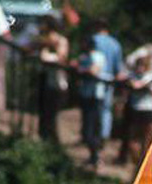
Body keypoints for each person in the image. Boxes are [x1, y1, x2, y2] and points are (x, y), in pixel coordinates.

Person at [32, 15, 68, 142]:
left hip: (55, 80)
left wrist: (46, 53)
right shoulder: (41, 40)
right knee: (43, 110)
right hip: (44, 77)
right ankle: (44, 137)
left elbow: (61, 58)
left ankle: (52, 141)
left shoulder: (60, 41)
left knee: (51, 112)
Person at [75, 34, 107, 168]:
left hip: (96, 96)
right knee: (87, 128)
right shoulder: (84, 57)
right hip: (86, 95)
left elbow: (94, 71)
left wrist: (82, 69)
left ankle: (95, 156)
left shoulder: (97, 56)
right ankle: (93, 156)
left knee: (93, 128)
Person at [90, 20, 123, 142]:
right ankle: (104, 135)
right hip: (109, 81)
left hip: (92, 80)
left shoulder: (93, 40)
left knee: (92, 109)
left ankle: (92, 136)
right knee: (106, 109)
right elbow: (118, 69)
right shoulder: (115, 44)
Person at [124, 53, 152, 166]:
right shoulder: (132, 75)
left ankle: (144, 163)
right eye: (138, 65)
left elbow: (141, 86)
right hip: (135, 110)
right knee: (133, 139)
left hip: (148, 110)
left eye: (142, 65)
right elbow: (133, 84)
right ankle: (137, 162)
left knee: (147, 138)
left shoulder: (151, 76)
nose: (140, 68)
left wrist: (140, 85)